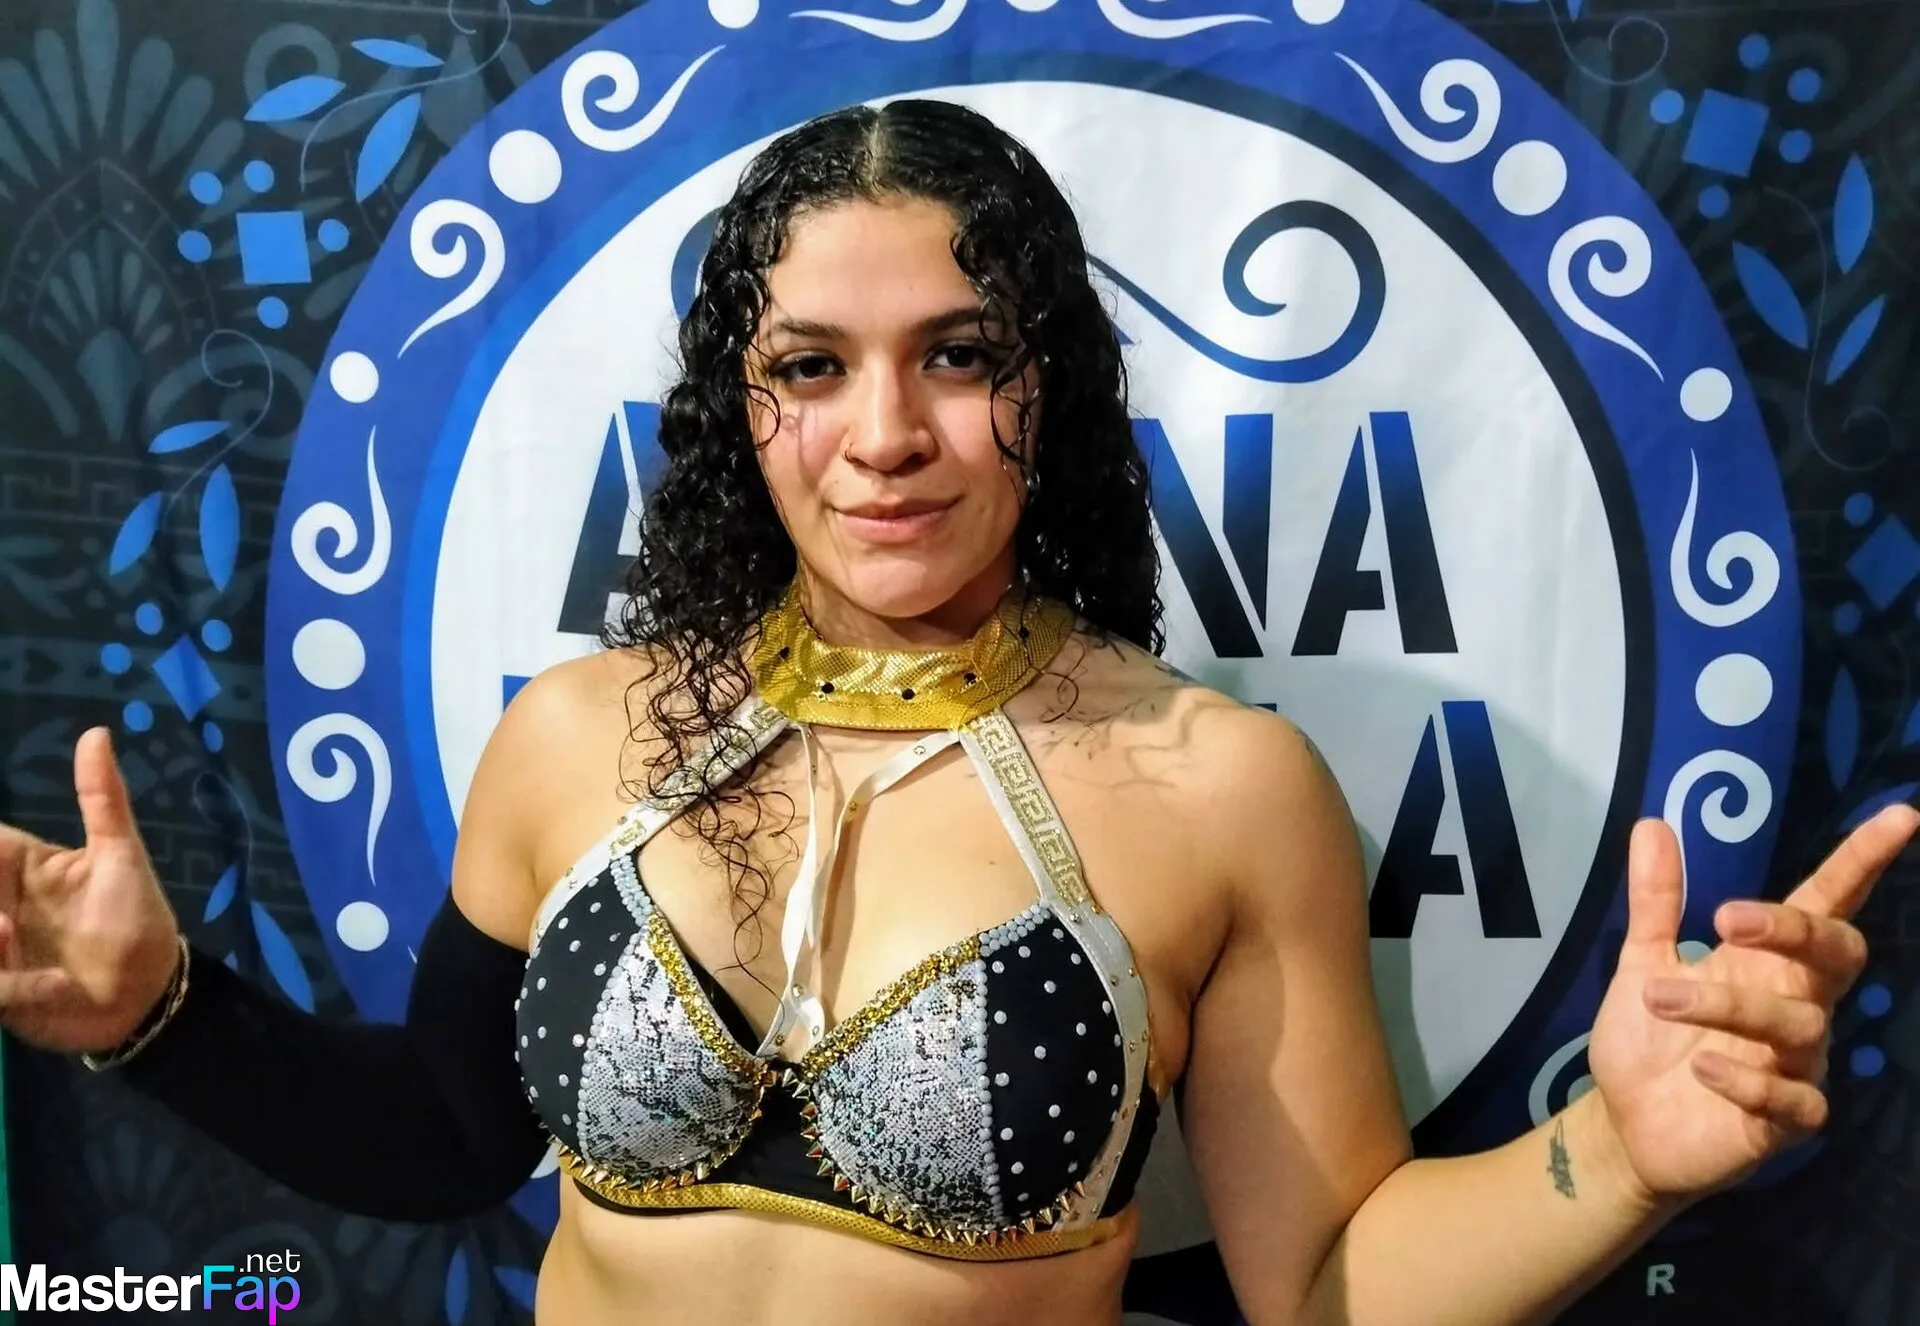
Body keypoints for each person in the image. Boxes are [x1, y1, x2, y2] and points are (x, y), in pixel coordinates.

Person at [0, 98, 1912, 1326]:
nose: (886, 435)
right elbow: (441, 1134)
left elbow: (1332, 1276)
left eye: (958, 355)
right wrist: (162, 1015)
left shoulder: (1224, 787)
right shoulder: (576, 733)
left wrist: (1619, 1155)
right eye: (812, 365)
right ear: (739, 405)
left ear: (1048, 387)